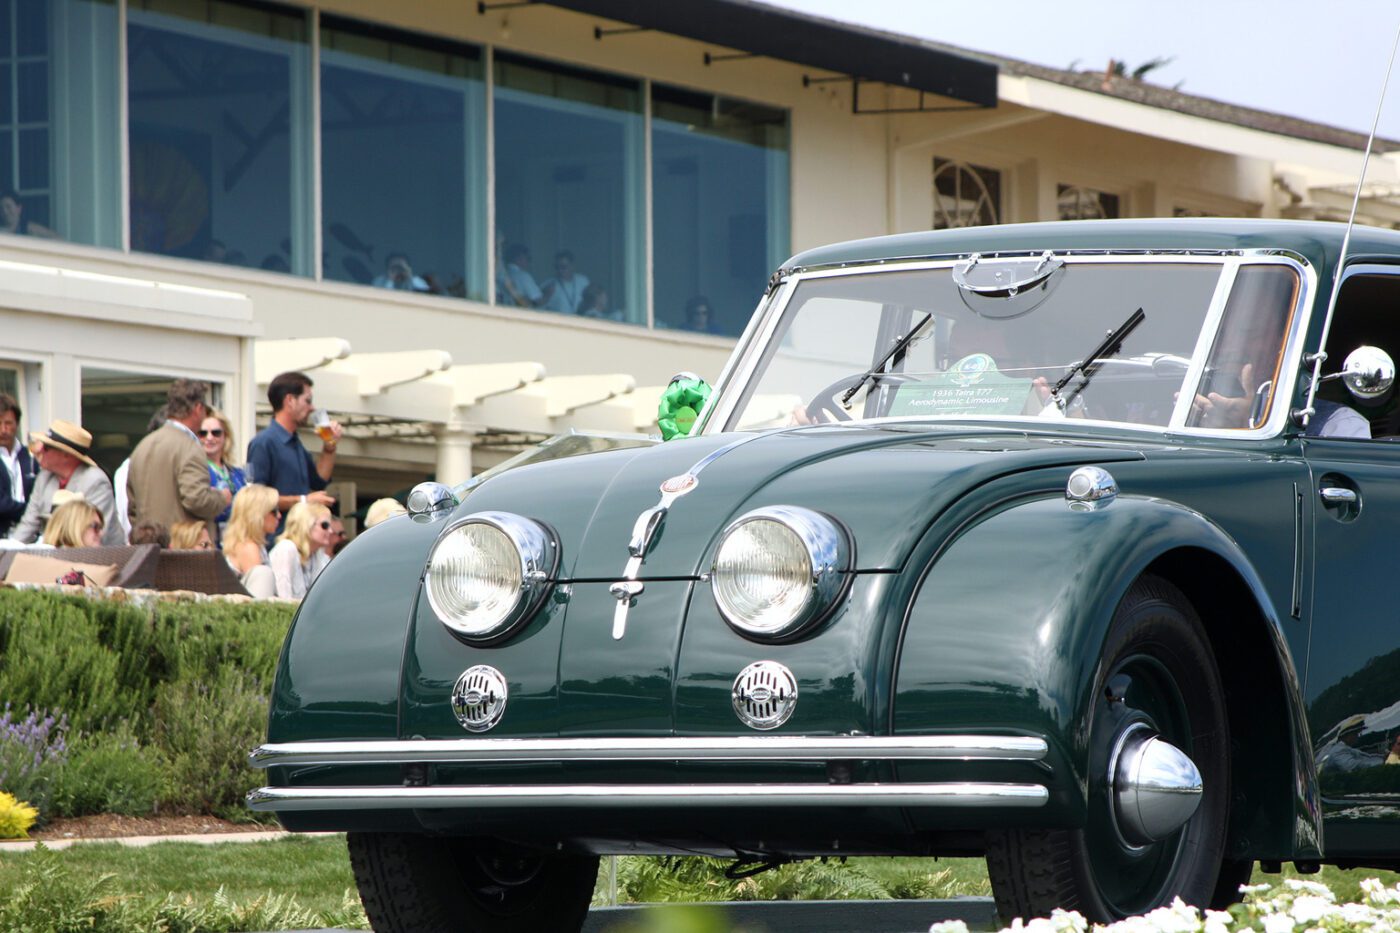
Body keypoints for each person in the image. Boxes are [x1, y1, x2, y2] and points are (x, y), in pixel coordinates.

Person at [126, 379, 229, 533]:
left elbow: (133, 508)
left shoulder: (142, 447)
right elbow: (196, 499)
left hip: (149, 547)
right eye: (204, 410)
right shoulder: (189, 448)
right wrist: (222, 498)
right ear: (198, 408)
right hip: (183, 548)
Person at [246, 371, 341, 535]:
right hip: (275, 542)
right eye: (308, 400)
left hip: (299, 541)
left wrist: (329, 447)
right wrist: (304, 500)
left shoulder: (296, 444)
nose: (312, 408)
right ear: (290, 400)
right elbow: (255, 498)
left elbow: (319, 482)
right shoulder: (263, 443)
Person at [8, 419, 122, 546]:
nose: (38, 450)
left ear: (65, 454)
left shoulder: (95, 481)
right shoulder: (44, 477)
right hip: (57, 554)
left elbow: (94, 534)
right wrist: (8, 551)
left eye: (46, 447)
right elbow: (29, 523)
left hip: (100, 557)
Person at [221, 484, 278, 598]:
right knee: (263, 574)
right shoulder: (248, 547)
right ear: (258, 513)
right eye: (274, 511)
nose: (279, 516)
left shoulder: (253, 545)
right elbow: (260, 598)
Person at [269, 500, 333, 599]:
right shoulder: (286, 549)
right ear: (307, 524)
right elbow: (283, 599)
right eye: (325, 525)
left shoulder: (319, 557)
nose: (330, 531)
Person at [200, 407, 246, 541]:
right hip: (211, 540)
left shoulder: (238, 473)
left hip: (237, 541)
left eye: (216, 433)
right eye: (203, 433)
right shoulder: (196, 472)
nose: (209, 438)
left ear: (226, 436)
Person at [0, 393, 38, 538]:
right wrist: (32, 513)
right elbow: (2, 504)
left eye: (8, 423)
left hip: (31, 538)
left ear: (17, 424)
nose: (4, 430)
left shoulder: (31, 457)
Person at [496, 243, 543, 308]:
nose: (529, 262)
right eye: (528, 258)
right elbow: (537, 300)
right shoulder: (523, 276)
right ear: (519, 258)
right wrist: (548, 293)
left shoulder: (500, 276)